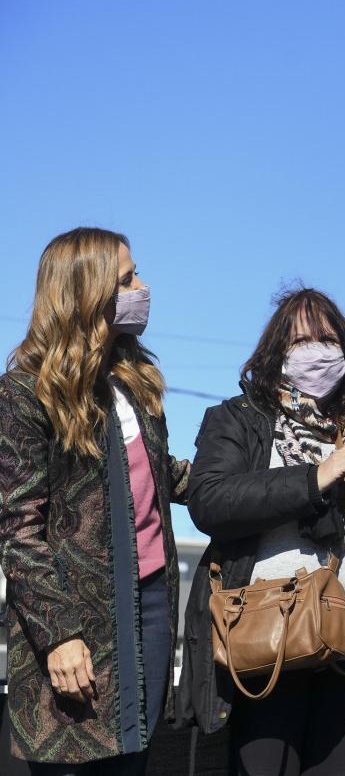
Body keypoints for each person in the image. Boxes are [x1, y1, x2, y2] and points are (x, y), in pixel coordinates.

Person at [175, 287, 345, 776]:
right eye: (301, 340)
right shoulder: (240, 418)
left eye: (327, 338)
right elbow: (209, 500)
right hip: (267, 645)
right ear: (277, 351)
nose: (317, 351)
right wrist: (316, 477)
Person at [0, 228, 190, 775]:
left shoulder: (135, 382)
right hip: (75, 618)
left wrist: (247, 483)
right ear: (87, 292)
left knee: (135, 757)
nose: (143, 287)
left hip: (151, 606)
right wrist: (59, 634)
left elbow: (163, 475)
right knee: (76, 761)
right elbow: (19, 531)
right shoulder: (23, 394)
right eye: (128, 278)